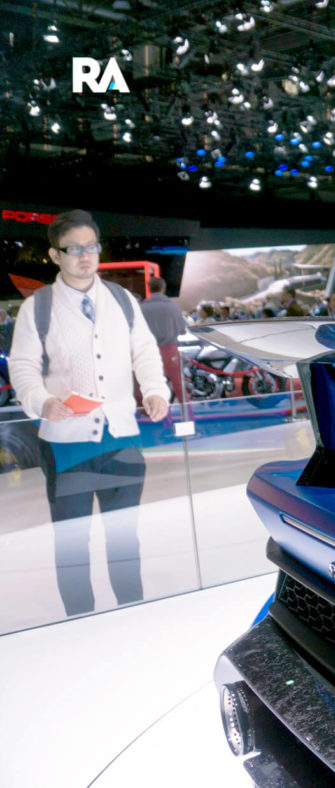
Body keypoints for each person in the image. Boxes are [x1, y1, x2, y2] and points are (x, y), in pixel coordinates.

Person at [8, 209, 171, 617]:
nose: (85, 256)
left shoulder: (122, 300)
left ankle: (130, 615)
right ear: (54, 254)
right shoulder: (38, 307)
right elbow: (23, 366)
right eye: (74, 249)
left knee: (123, 538)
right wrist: (42, 401)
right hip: (66, 445)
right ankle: (81, 621)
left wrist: (154, 390)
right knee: (72, 541)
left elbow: (145, 352)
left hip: (122, 437)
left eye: (91, 247)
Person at [138, 276, 187, 405]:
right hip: (170, 350)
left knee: (155, 386)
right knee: (178, 385)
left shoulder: (142, 308)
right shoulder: (173, 307)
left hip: (150, 352)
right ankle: (188, 415)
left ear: (149, 288)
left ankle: (162, 418)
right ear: (163, 288)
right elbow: (182, 330)